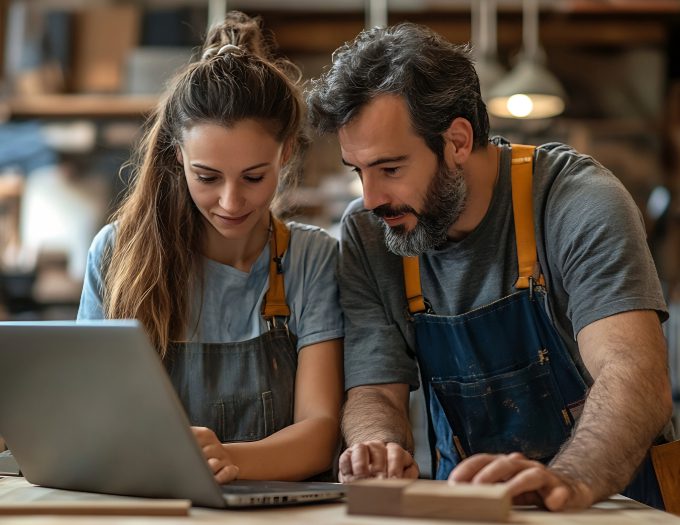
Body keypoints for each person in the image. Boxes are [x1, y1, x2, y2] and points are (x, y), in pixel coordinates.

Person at [307, 22, 673, 510]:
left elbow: (633, 372)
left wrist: (567, 481)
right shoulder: (373, 232)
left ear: (457, 141)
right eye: (359, 171)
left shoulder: (576, 201)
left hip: (615, 501)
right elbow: (376, 389)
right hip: (471, 509)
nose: (371, 198)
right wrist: (377, 447)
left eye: (391, 168)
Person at [78, 12, 343, 483]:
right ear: (177, 154)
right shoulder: (117, 256)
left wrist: (226, 458)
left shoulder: (311, 259)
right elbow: (95, 424)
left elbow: (320, 434)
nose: (230, 202)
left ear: (285, 153)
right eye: (207, 177)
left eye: (254, 177)